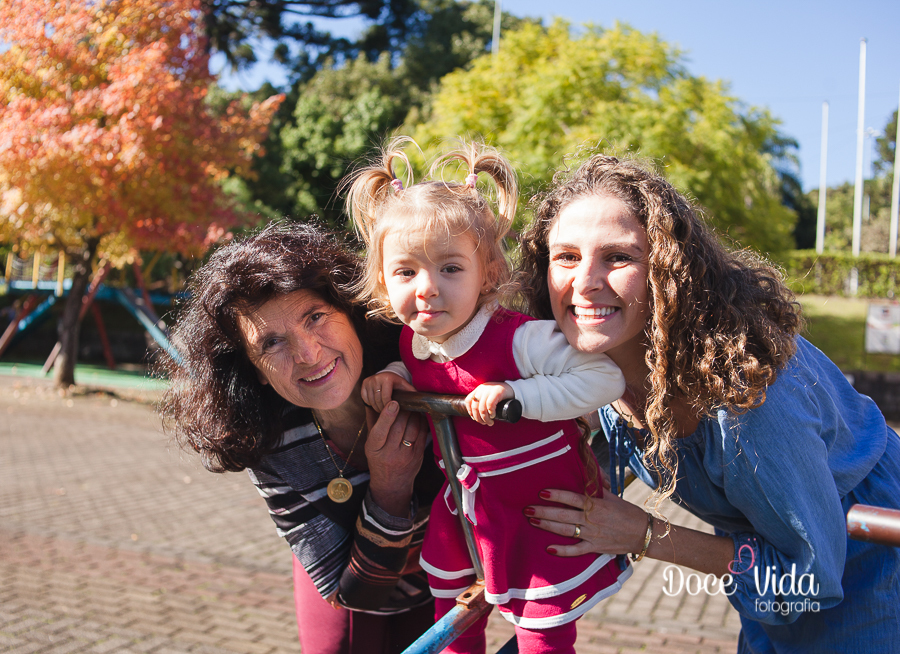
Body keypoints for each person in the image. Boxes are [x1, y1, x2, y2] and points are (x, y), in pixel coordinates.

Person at [519, 153, 900, 653]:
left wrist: (647, 535)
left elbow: (811, 579)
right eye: (566, 256)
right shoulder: (596, 372)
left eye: (618, 257)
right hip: (763, 567)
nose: (585, 281)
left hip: (866, 568)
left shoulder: (747, 401)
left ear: (669, 271)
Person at [345, 139, 629, 654]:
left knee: (542, 631)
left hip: (541, 508)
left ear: (489, 274)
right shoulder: (413, 341)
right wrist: (390, 374)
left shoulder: (518, 338)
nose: (427, 288)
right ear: (385, 284)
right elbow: (422, 365)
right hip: (470, 509)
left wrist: (519, 393)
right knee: (455, 618)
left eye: (451, 269)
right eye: (407, 271)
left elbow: (605, 380)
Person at [158, 222, 444, 654]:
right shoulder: (265, 440)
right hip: (349, 581)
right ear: (254, 369)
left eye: (315, 317)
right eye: (272, 342)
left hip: (443, 582)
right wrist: (390, 488)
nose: (308, 353)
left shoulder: (425, 373)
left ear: (350, 310)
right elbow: (353, 595)